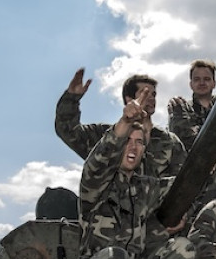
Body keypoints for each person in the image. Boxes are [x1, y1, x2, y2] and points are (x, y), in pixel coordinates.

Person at [68, 88, 195, 259]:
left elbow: (182, 184)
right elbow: (97, 162)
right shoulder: (96, 185)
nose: (134, 147)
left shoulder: (146, 186)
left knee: (183, 249)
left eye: (139, 142)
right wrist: (124, 122)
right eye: (127, 141)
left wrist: (208, 163)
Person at [55, 68, 187, 178]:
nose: (151, 98)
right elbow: (68, 131)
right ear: (128, 99)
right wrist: (71, 99)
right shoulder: (105, 136)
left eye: (154, 94)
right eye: (144, 93)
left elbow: (183, 181)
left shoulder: (170, 141)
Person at [167, 59, 216, 151]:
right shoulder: (180, 108)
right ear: (191, 84)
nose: (202, 83)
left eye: (206, 79)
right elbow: (182, 140)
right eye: (197, 79)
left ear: (214, 83)